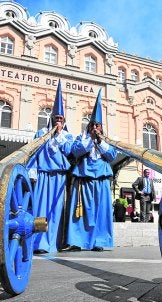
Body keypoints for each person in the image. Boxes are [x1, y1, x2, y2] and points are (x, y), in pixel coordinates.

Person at [62, 89, 117, 252]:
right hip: (84, 178)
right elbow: (75, 151)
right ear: (88, 126)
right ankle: (77, 241)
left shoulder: (106, 140)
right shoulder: (81, 138)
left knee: (101, 211)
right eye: (92, 125)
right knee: (80, 211)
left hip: (101, 179)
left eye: (97, 125)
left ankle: (98, 241)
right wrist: (90, 140)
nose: (94, 127)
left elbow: (111, 156)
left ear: (101, 127)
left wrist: (99, 141)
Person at [28, 80, 74, 254]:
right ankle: (38, 243)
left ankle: (53, 244)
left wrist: (60, 134)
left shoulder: (68, 136)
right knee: (40, 209)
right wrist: (32, 173)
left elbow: (69, 151)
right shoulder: (41, 134)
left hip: (59, 177)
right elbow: (32, 153)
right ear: (51, 118)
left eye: (61, 119)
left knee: (56, 211)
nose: (58, 121)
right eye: (56, 118)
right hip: (42, 175)